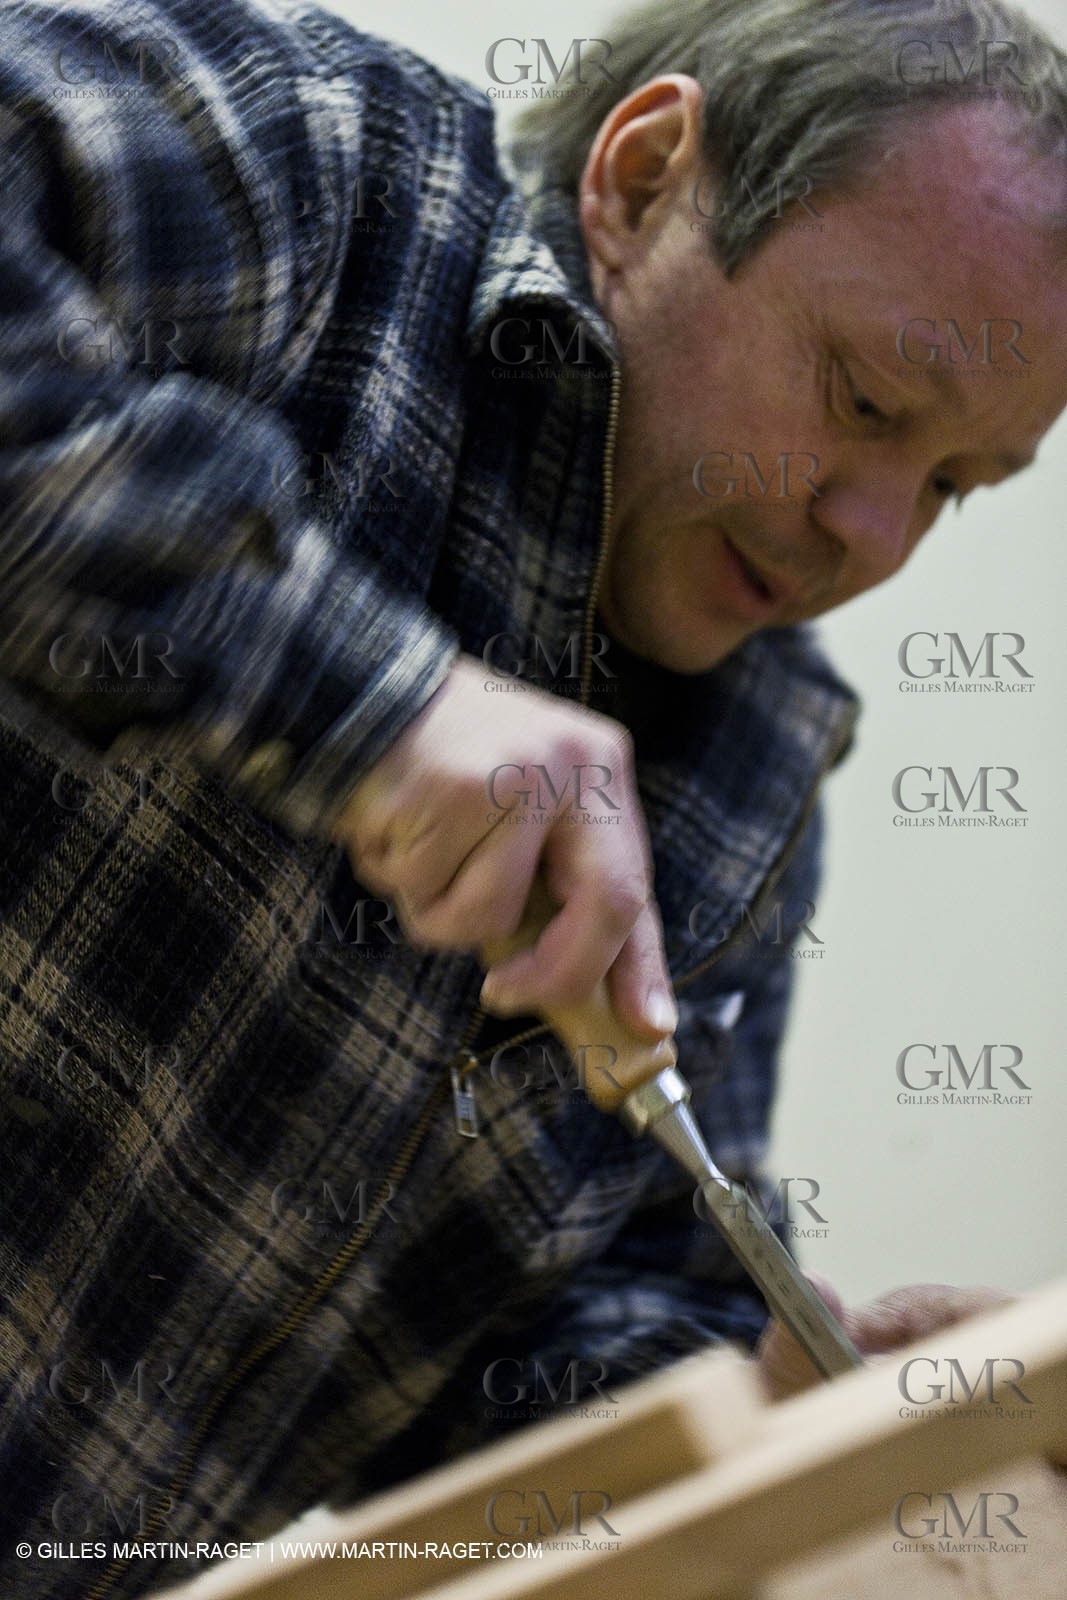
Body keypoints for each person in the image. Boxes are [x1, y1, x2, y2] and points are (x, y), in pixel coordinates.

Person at [0, 0, 1063, 1593]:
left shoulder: (756, 787)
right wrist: (372, 699)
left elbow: (517, 1366)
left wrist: (763, 1400)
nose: (873, 534)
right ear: (641, 183)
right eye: (863, 401)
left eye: (956, 486)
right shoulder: (312, 169)